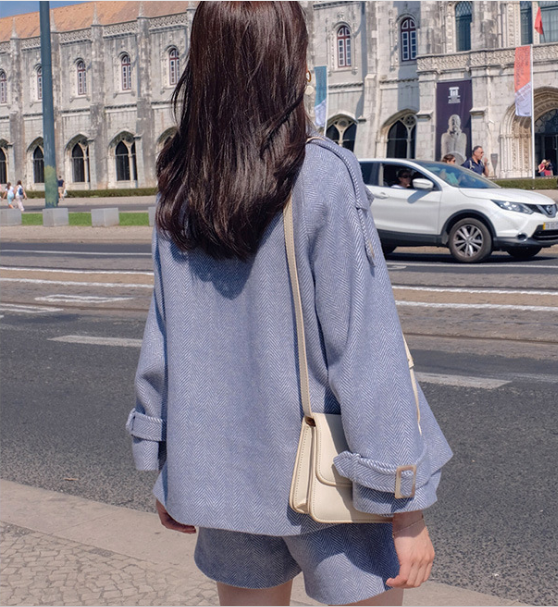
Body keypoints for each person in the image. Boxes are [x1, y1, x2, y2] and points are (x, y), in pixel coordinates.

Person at [126, 4, 452, 606]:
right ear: (290, 63)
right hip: (331, 481)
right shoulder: (322, 174)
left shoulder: (182, 185)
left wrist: (168, 461)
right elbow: (365, 350)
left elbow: (165, 337)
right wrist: (404, 504)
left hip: (223, 477)